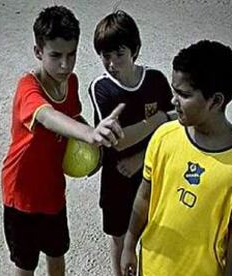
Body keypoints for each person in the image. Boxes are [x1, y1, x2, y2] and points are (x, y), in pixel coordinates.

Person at [120, 40, 232, 276]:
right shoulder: (164, 135)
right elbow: (144, 196)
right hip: (151, 266)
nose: (174, 101)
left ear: (215, 101)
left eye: (184, 94)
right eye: (174, 91)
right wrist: (128, 245)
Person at [1, 6, 124, 276]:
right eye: (55, 56)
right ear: (38, 52)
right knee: (26, 265)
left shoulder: (71, 81)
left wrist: (93, 139)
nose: (65, 65)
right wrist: (89, 134)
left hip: (53, 190)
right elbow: (47, 116)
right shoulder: (28, 88)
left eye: (71, 55)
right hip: (22, 195)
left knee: (57, 253)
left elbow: (73, 115)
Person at [88, 10, 175, 276]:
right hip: (116, 180)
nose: (112, 63)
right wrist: (156, 120)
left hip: (153, 174)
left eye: (119, 54)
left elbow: (175, 128)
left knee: (152, 234)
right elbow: (117, 141)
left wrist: (142, 159)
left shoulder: (156, 81)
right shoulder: (101, 88)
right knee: (119, 237)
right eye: (105, 56)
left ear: (135, 50)